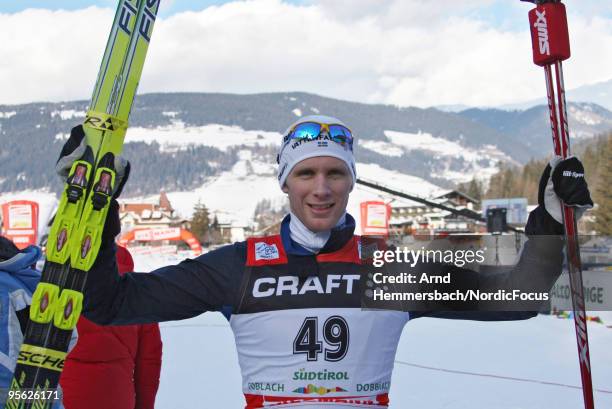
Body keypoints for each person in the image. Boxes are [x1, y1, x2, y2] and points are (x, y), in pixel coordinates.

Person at [66, 115, 592, 408]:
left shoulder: (387, 272)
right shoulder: (239, 267)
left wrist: (547, 218)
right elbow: (111, 305)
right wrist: (94, 215)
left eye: (335, 174)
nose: (321, 189)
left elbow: (517, 296)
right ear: (286, 184)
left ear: (351, 181)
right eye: (306, 174)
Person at [59, 245, 162, 409]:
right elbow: (149, 362)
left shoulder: (57, 290)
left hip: (64, 397)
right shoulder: (138, 294)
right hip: (119, 397)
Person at [0, 236, 75, 408]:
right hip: (45, 394)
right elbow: (67, 337)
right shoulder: (35, 280)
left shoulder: (4, 288)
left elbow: (5, 360)